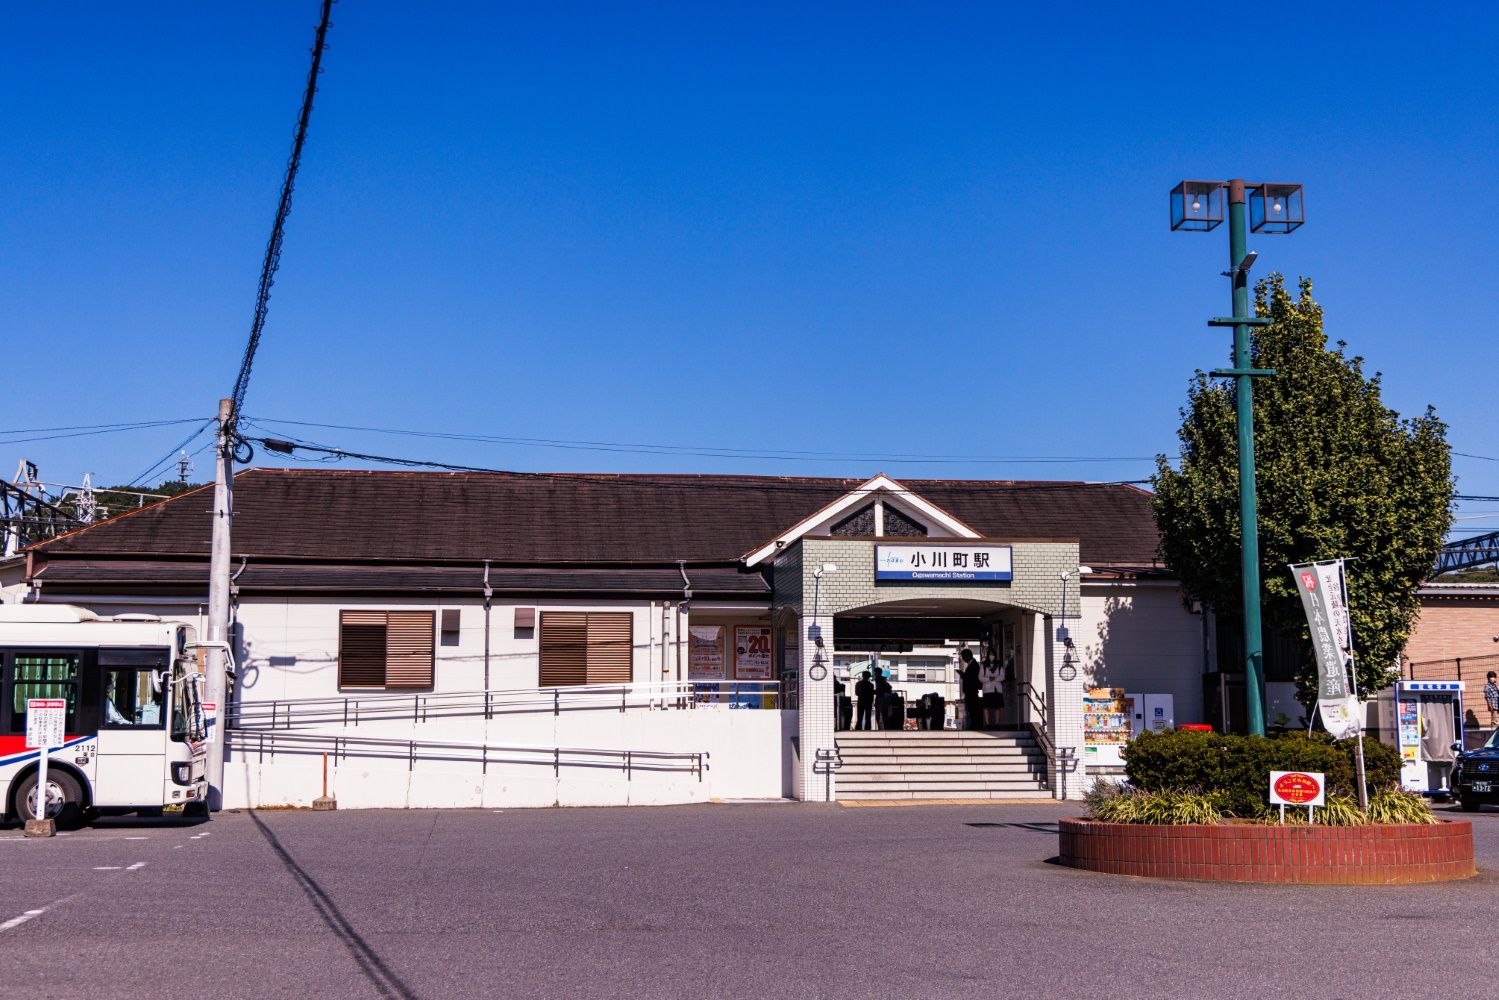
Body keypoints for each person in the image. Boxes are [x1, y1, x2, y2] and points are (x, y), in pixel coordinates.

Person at [980, 652, 1006, 730]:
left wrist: (995, 678)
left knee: (997, 707)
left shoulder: (999, 665)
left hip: (997, 689)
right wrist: (988, 679)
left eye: (993, 654)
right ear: (988, 655)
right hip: (987, 689)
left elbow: (1003, 676)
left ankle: (997, 724)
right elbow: (980, 677)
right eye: (990, 654)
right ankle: (987, 724)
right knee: (986, 707)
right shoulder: (983, 665)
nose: (992, 656)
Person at [959, 648, 982, 731]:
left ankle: (975, 725)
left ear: (968, 656)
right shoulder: (971, 664)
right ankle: (974, 724)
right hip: (970, 691)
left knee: (973, 709)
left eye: (963, 657)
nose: (963, 659)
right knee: (972, 708)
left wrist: (963, 675)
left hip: (971, 690)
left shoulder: (974, 665)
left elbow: (972, 678)